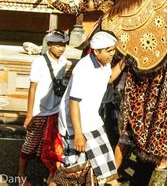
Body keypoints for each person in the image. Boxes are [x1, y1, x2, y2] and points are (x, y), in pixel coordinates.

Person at [53, 31, 125, 185]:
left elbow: (109, 78)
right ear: (96, 51)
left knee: (108, 174)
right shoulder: (83, 69)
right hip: (75, 126)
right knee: (71, 173)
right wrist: (78, 134)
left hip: (93, 123)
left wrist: (123, 62)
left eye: (113, 50)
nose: (112, 54)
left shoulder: (103, 64)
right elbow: (74, 103)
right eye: (108, 51)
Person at [18, 30, 69, 186]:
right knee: (30, 144)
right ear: (49, 45)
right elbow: (32, 88)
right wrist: (29, 114)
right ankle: (21, 176)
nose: (61, 48)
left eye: (64, 45)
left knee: (55, 146)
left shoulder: (63, 61)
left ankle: (51, 177)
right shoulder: (39, 62)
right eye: (58, 45)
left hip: (55, 111)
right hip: (40, 111)